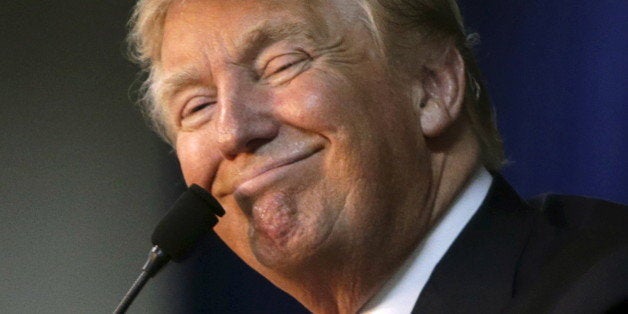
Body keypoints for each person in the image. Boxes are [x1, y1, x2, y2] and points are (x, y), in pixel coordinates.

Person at [127, 0, 627, 312]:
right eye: (197, 105)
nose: (232, 130)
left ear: (432, 88)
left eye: (282, 64)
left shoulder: (604, 289)